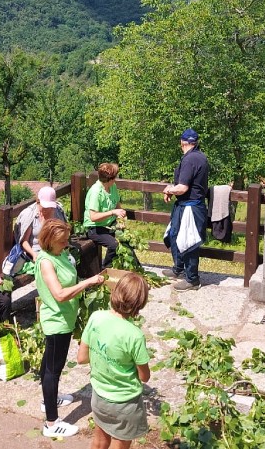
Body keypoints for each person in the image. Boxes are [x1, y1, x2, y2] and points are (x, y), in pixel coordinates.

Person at [36, 219, 106, 438]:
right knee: (53, 370)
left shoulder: (59, 255)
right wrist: (88, 283)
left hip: (65, 317)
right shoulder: (46, 261)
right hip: (57, 322)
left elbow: (69, 282)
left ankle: (49, 399)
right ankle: (51, 423)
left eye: (67, 239)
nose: (67, 243)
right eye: (62, 240)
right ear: (49, 240)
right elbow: (59, 294)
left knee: (48, 364)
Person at [77, 272, 152, 449]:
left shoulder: (96, 317)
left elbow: (81, 358)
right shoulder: (135, 335)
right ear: (139, 304)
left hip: (99, 396)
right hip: (126, 403)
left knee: (99, 440)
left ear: (115, 293)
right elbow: (144, 377)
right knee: (120, 444)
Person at [162, 129, 209, 291]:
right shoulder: (200, 156)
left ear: (182, 143)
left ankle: (192, 279)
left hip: (190, 207)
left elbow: (182, 188)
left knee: (188, 242)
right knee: (174, 235)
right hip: (186, 205)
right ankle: (178, 268)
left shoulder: (190, 160)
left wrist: (169, 189)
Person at [82, 163, 130, 268]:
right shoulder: (96, 192)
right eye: (115, 177)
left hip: (109, 224)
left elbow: (118, 205)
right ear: (110, 178)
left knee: (126, 240)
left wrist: (120, 218)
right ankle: (106, 268)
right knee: (115, 245)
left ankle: (134, 268)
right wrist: (113, 212)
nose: (116, 179)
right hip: (94, 228)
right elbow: (93, 217)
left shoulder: (112, 187)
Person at [13, 186, 67, 275]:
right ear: (38, 201)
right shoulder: (29, 215)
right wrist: (34, 255)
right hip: (36, 252)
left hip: (56, 248)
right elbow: (24, 242)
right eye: (45, 206)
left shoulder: (57, 211)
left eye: (50, 206)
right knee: (51, 267)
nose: (48, 209)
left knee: (70, 262)